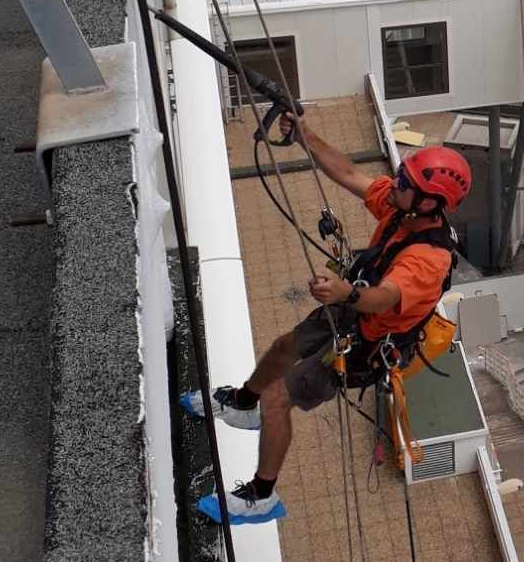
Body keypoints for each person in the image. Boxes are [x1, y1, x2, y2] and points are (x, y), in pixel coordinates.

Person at [188, 124, 472, 525]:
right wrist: (304, 133)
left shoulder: (429, 259)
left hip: (366, 346)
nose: (396, 182)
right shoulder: (399, 206)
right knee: (286, 345)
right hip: (352, 310)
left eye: (406, 182)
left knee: (278, 399)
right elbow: (347, 173)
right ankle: (243, 402)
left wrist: (345, 293)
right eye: (402, 175)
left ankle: (261, 496)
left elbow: (386, 296)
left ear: (428, 204)